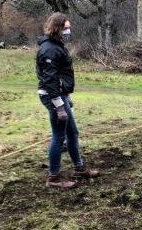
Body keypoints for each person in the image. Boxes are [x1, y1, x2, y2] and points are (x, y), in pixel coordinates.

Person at [36, 12, 99, 189]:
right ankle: (54, 177)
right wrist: (59, 105)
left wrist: (66, 97)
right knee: (59, 136)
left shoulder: (57, 46)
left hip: (60, 95)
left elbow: (61, 74)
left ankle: (79, 168)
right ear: (56, 28)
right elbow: (49, 80)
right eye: (65, 28)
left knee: (73, 133)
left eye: (69, 28)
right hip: (52, 96)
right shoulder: (49, 49)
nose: (68, 31)